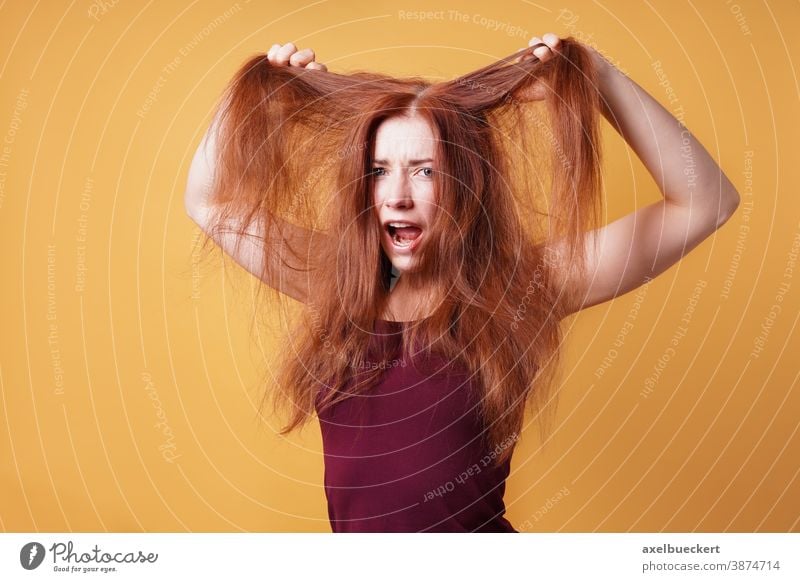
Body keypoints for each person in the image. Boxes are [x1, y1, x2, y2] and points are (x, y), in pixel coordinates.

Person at [184, 33, 740, 532]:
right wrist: (261, 104)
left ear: (466, 183)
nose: (398, 194)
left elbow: (706, 202)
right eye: (380, 170)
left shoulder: (521, 290)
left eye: (425, 170)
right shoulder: (337, 283)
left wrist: (598, 78)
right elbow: (208, 202)